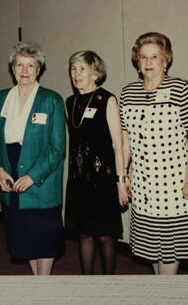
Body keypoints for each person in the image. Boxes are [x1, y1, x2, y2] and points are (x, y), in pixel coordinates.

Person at [120, 32, 188, 275]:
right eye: (143, 57)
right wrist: (122, 177)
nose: (149, 62)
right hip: (143, 186)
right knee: (152, 248)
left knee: (170, 250)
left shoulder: (181, 89)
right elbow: (125, 141)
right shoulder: (128, 93)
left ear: (166, 60)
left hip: (173, 187)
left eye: (155, 56)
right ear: (137, 61)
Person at [0, 42, 66, 275]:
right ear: (12, 68)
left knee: (44, 237)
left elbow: (57, 147)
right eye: (19, 64)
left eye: (30, 65)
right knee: (25, 238)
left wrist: (32, 176)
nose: (25, 70)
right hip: (10, 172)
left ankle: (44, 283)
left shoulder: (51, 100)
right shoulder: (0, 99)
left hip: (42, 178)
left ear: (39, 69)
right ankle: (37, 281)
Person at [64, 51, 128, 275]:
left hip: (103, 179)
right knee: (84, 233)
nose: (76, 74)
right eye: (73, 68)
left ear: (95, 73)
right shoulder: (70, 102)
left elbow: (118, 144)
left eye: (82, 69)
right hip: (79, 180)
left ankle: (109, 286)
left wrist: (121, 180)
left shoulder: (107, 99)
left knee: (104, 236)